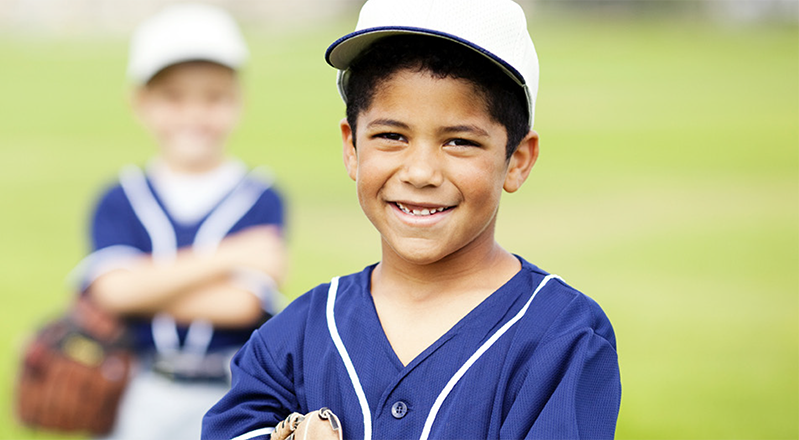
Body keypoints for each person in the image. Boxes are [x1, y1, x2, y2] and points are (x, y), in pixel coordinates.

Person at [201, 0, 621, 439]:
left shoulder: (563, 337)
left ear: (517, 160)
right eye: (391, 136)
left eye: (459, 142)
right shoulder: (293, 338)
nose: (420, 173)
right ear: (351, 147)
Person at [72, 4, 287, 440]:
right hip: (142, 390)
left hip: (234, 394)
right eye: (173, 97)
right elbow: (115, 292)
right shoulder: (121, 197)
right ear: (139, 102)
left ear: (238, 99)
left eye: (213, 96)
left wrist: (144, 286)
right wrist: (230, 256)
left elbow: (241, 305)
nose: (194, 113)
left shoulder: (260, 195)